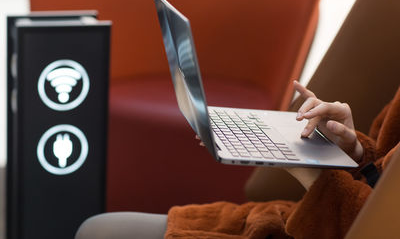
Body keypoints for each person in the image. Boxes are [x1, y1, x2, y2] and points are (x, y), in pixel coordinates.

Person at [75, 82, 400, 239]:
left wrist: (304, 166)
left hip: (326, 225)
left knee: (99, 232)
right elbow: (383, 181)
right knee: (98, 229)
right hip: (312, 218)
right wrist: (355, 151)